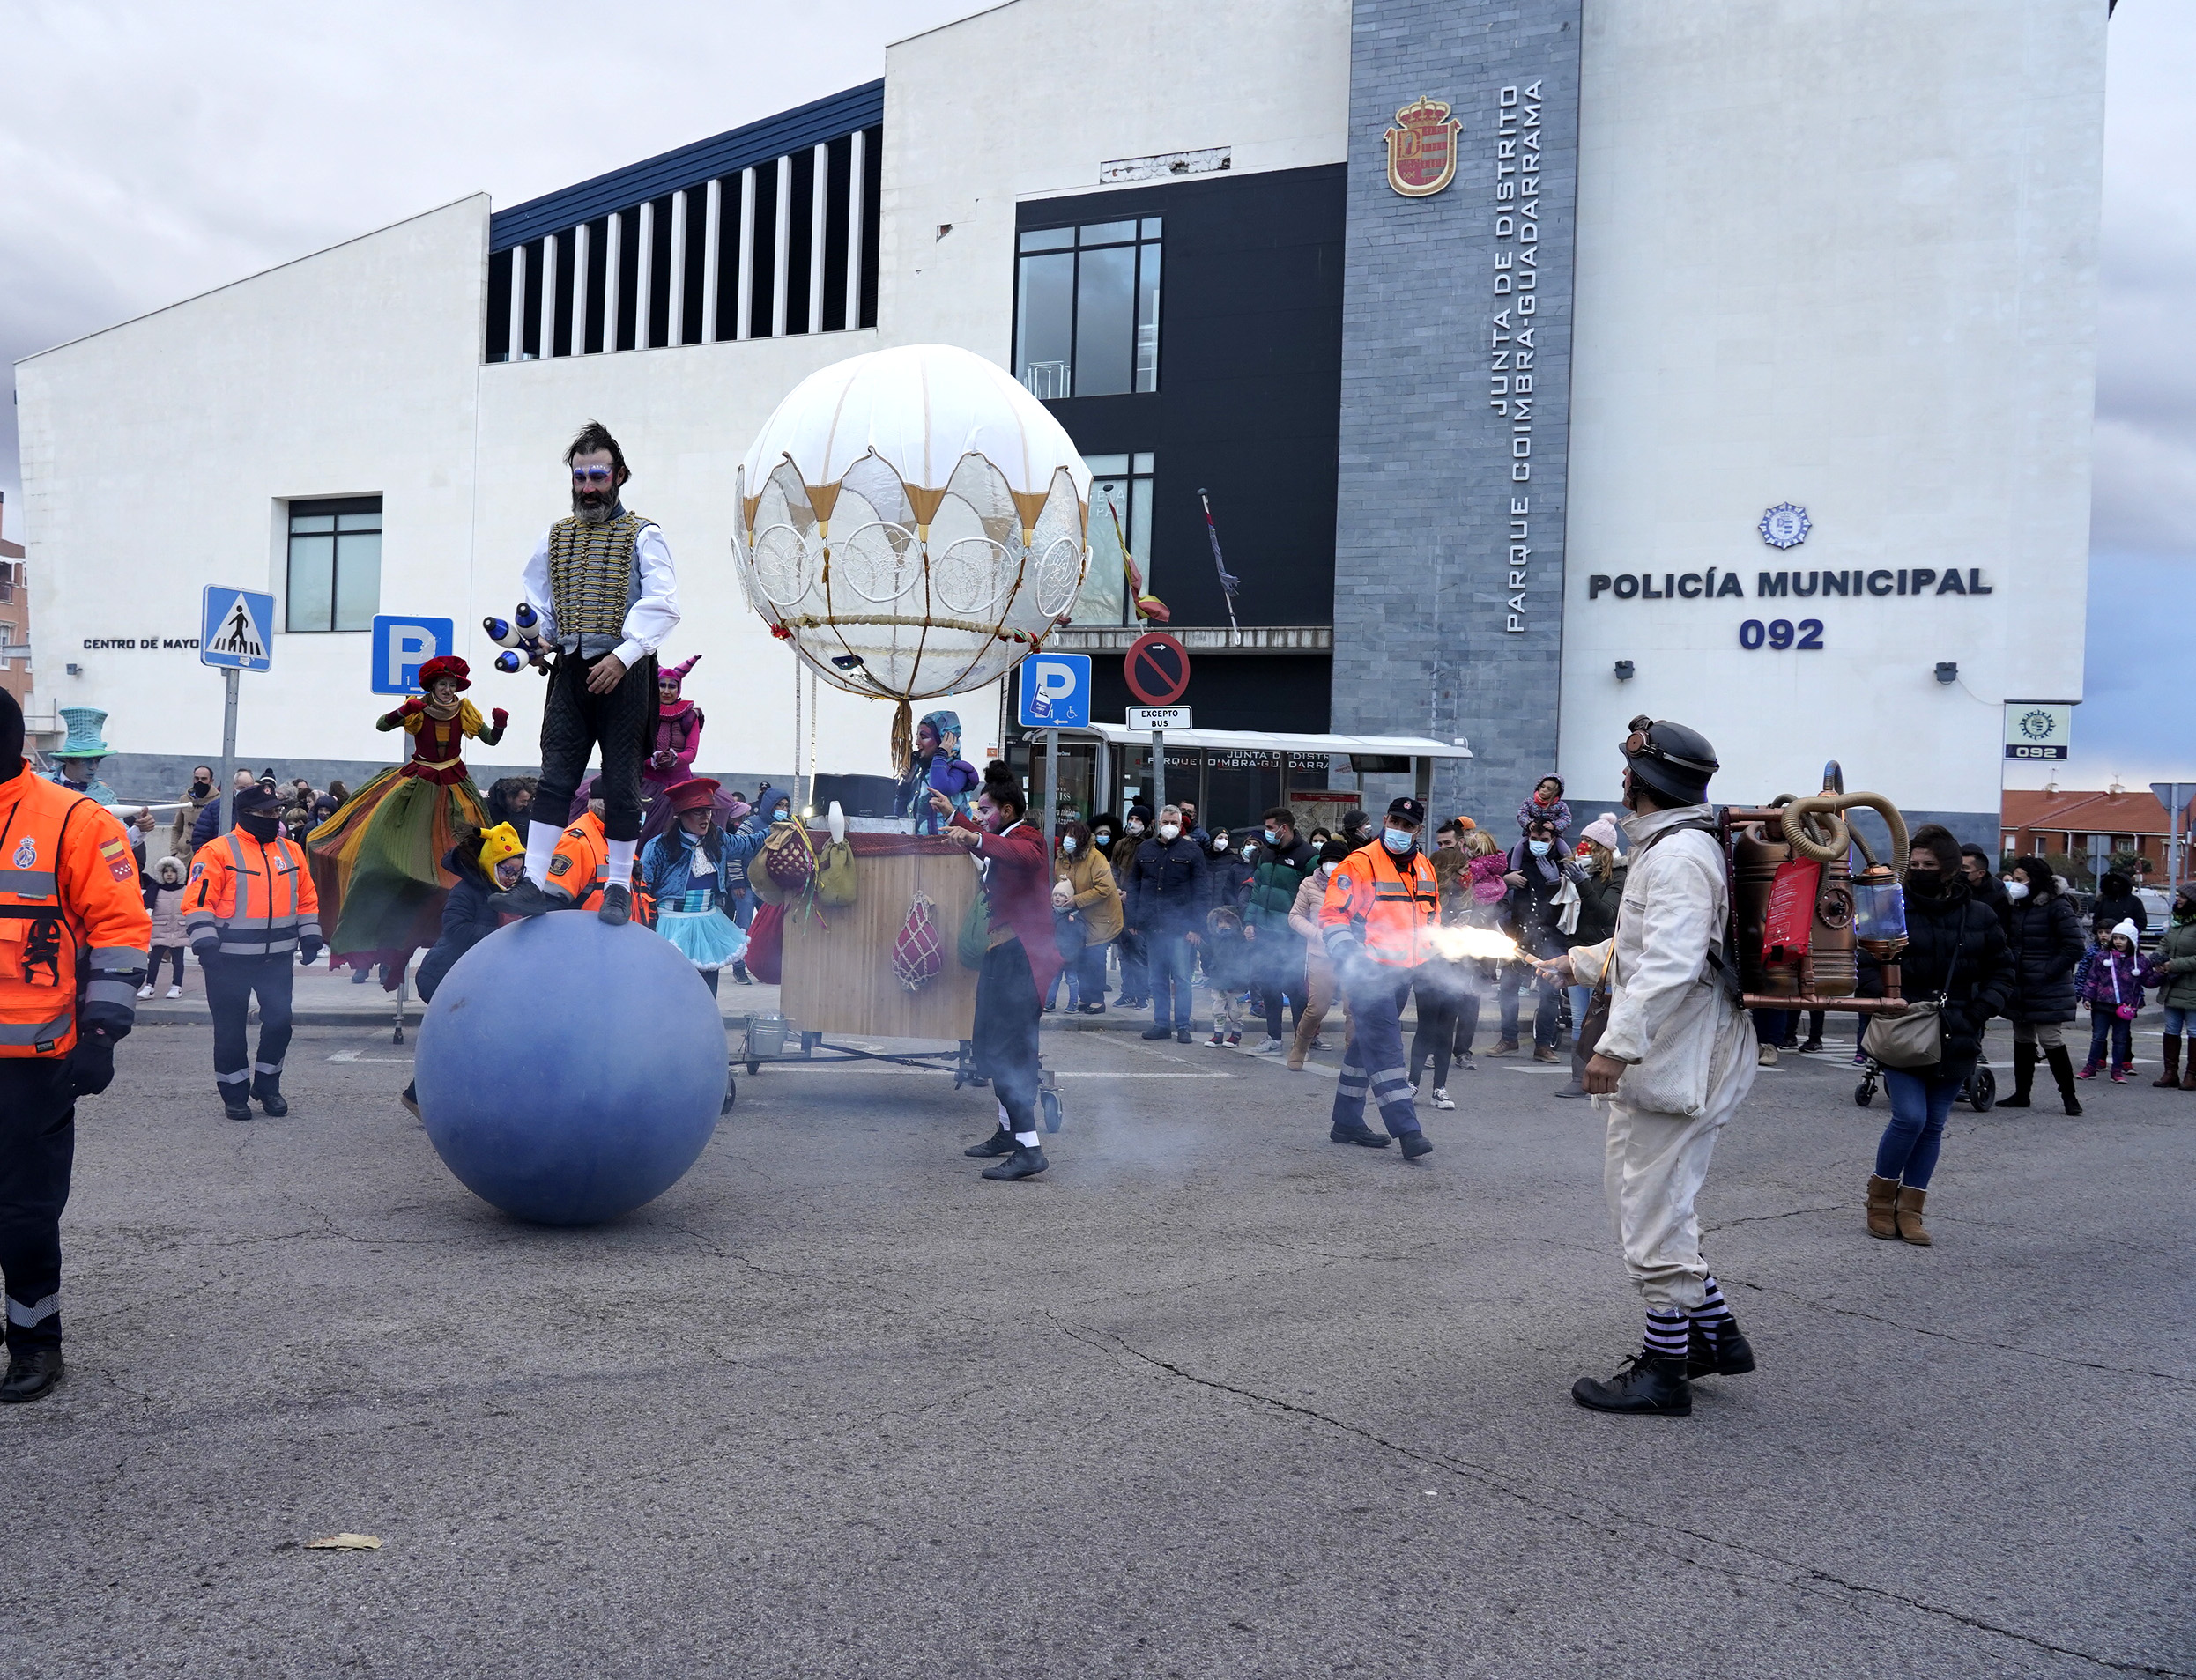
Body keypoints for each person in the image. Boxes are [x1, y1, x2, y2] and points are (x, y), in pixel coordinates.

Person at [1547, 716, 1758, 1417]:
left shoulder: (1678, 855)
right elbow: (1644, 944)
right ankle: (1716, 1336)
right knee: (1653, 1203)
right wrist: (1577, 963)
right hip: (1675, 1054)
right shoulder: (1671, 846)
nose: (1622, 777)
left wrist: (1615, 1045)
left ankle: (1665, 1371)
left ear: (1646, 779)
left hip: (1682, 1058)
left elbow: (1670, 963)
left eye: (1630, 768)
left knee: (1650, 1210)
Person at [0, 690, 152, 1403]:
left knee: (23, 1212)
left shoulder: (73, 820)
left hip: (33, 1062)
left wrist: (101, 1031)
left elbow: (120, 927)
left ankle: (35, 1344)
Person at [502, 420, 681, 928]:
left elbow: (664, 604)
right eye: (579, 477)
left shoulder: (644, 534)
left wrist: (623, 657)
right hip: (570, 671)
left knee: (622, 784)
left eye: (597, 476)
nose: (587, 488)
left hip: (625, 673)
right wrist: (541, 640)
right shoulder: (555, 536)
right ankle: (534, 881)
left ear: (619, 476)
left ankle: (620, 886)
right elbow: (540, 602)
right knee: (555, 778)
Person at [308, 655, 505, 986]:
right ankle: (375, 930)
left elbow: (490, 739)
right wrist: (402, 712)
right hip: (418, 784)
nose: (448, 690)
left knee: (472, 848)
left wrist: (499, 724)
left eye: (452, 685)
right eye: (443, 684)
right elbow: (381, 725)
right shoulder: (418, 709)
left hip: (455, 786)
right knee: (381, 849)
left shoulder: (464, 710)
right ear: (432, 686)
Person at [1864, 824, 2014, 1244]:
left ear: (1949, 868)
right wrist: (1887, 1000)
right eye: (1914, 862)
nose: (1919, 869)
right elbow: (1866, 962)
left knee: (1932, 1125)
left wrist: (1980, 1011)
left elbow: (2003, 969)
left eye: (1929, 863)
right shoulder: (1891, 906)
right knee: (1910, 1117)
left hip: (1958, 1030)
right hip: (1905, 1026)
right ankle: (1879, 1202)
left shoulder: (1980, 915)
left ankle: (1911, 1210)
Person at [940, 766, 1057, 1180]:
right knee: (991, 1048)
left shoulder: (1028, 838)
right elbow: (989, 841)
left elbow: (1022, 854)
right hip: (1004, 956)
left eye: (985, 810)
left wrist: (972, 836)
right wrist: (955, 816)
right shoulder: (1006, 834)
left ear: (1007, 811)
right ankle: (1009, 1133)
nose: (980, 816)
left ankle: (1029, 1149)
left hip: (1022, 959)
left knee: (1011, 1055)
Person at [184, 782, 322, 1121]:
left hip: (277, 958)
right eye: (266, 812)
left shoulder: (292, 851)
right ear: (246, 814)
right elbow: (198, 900)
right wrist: (205, 943)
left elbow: (306, 898)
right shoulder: (217, 851)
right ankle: (234, 1094)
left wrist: (310, 936)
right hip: (227, 960)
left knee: (280, 1024)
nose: (274, 817)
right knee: (230, 1031)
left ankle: (267, 1086)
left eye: (276, 811)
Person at [1319, 797, 1439, 1156]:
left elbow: (1431, 919)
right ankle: (1408, 1131)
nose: (1400, 830)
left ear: (1418, 830)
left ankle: (1346, 1122)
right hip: (1368, 972)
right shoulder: (1359, 862)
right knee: (1386, 1046)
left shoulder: (1425, 866)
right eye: (1395, 822)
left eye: (1408, 826)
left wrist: (1432, 961)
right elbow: (1332, 916)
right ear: (1385, 820)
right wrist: (1350, 957)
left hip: (1403, 973)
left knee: (1365, 1044)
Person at [400, 822, 523, 1117]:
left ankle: (425, 1097)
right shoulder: (466, 891)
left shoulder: (512, 893)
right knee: (463, 1042)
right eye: (507, 870)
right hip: (445, 978)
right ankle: (418, 1097)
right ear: (492, 864)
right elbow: (456, 929)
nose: (512, 877)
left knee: (471, 1042)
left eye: (518, 872)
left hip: (478, 983)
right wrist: (503, 933)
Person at [641, 778, 755, 995]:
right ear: (681, 815)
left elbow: (747, 845)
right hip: (671, 924)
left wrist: (774, 833)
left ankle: (706, 1019)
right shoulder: (659, 846)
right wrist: (647, 926)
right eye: (698, 811)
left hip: (708, 923)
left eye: (708, 811)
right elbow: (642, 886)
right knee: (672, 990)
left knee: (707, 991)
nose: (706, 817)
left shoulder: (717, 839)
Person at [1994, 855, 2085, 1114]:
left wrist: (2047, 973)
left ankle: (2069, 1097)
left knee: (2050, 1038)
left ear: (2034, 880)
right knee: (2022, 1037)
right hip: (2020, 983)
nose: (2014, 884)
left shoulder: (2057, 905)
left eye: (2020, 879)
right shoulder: (2016, 905)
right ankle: (2022, 1093)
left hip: (2048, 985)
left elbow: (2074, 946)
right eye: (2013, 878)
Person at [1495, 814, 1582, 1062]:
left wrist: (1555, 882)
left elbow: (1572, 901)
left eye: (1543, 840)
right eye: (1534, 838)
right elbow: (1496, 888)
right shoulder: (1516, 856)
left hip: (1551, 934)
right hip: (1519, 931)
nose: (1538, 843)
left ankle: (1543, 1045)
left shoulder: (1565, 861)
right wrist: (1505, 881)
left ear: (1553, 839)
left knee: (1550, 993)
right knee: (1508, 987)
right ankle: (1508, 1039)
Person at [1555, 814, 1627, 1099]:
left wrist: (1584, 884)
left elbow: (1606, 913)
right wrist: (1554, 884)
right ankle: (1578, 1078)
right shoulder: (1578, 868)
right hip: (1577, 951)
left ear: (1603, 847)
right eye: (1582, 839)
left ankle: (1605, 1078)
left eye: (1589, 841)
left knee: (1603, 1016)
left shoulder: (1618, 874)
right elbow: (1563, 914)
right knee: (1578, 1017)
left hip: (1603, 956)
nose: (1582, 844)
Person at [1126, 803, 1209, 1043]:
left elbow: (1201, 891)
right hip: (1153, 926)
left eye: (1174, 823)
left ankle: (1183, 1026)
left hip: (1181, 928)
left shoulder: (1192, 851)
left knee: (1182, 978)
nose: (1170, 826)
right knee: (1156, 979)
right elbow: (1134, 885)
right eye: (1166, 822)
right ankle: (1161, 1024)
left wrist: (1197, 927)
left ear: (1181, 825)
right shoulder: (1145, 848)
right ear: (1158, 823)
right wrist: (1132, 919)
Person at [1409, 821, 1477, 1108]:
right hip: (1428, 967)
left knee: (1447, 1027)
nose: (1467, 874)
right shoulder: (1430, 896)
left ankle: (1440, 1088)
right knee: (1426, 1027)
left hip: (1456, 968)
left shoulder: (1468, 897)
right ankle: (1413, 1083)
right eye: (1463, 869)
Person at [1244, 807, 1316, 1053]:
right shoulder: (1266, 854)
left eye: (1270, 828)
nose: (1267, 832)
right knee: (1269, 986)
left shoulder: (1309, 856)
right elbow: (1257, 890)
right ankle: (1273, 1038)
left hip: (1293, 935)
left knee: (1295, 990)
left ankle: (1301, 1042)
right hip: (1266, 933)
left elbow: (1316, 897)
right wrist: (1250, 921)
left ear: (1284, 828)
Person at [1287, 840, 1353, 1069]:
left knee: (1354, 1008)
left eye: (1337, 861)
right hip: (1320, 954)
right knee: (1317, 1008)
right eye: (1328, 860)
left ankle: (1352, 1054)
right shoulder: (1309, 884)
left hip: (1350, 955)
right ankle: (1300, 1046)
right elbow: (1295, 916)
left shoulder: (1356, 884)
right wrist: (1316, 934)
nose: (1332, 865)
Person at [1048, 819, 1121, 1014]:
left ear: (1082, 839)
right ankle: (1085, 997)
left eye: (1073, 836)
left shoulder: (1096, 858)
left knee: (1094, 958)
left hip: (1099, 916)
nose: (1068, 840)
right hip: (1075, 917)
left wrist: (1076, 900)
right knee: (1079, 957)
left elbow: (1105, 887)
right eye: (1067, 835)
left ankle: (1097, 1000)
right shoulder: (1061, 859)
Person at [2145, 882, 2196, 1091]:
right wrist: (2158, 958)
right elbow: (2164, 943)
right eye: (2178, 896)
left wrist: (2173, 964)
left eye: (2183, 896)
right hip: (2172, 985)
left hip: (2192, 987)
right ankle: (2170, 1073)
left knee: (2194, 1030)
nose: (2178, 900)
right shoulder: (2177, 921)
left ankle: (2192, 1075)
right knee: (2171, 1029)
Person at [2076, 921, 2142, 1082]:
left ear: (2131, 941)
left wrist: (2161, 972)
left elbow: (2144, 981)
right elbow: (2092, 978)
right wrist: (2087, 997)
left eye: (2122, 938)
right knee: (2098, 1037)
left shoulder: (2137, 960)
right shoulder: (2102, 957)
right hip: (2102, 1003)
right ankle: (2090, 1068)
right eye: (2116, 938)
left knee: (2120, 1039)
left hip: (2124, 1006)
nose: (2118, 941)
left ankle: (2117, 1071)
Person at [897, 709, 981, 835]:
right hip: (917, 844)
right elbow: (899, 815)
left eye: (923, 737)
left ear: (943, 741)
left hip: (948, 845)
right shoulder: (919, 771)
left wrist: (941, 754)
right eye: (917, 736)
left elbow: (939, 789)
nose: (917, 742)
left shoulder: (958, 771)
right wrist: (905, 785)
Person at [1109, 808, 1153, 1007]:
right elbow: (1113, 869)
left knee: (1139, 952)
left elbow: (1149, 877)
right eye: (1131, 818)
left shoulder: (1150, 846)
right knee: (1124, 953)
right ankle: (1127, 992)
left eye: (1137, 819)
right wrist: (1117, 890)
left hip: (1140, 906)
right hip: (1121, 905)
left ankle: (1142, 995)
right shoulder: (1121, 844)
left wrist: (1131, 895)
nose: (1133, 822)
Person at [45, 707, 121, 808]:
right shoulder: (41, 784)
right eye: (86, 761)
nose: (93, 767)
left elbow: (114, 818)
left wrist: (138, 819)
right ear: (68, 759)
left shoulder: (104, 795)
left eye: (97, 761)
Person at [1202, 905, 1256, 1047]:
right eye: (1220, 922)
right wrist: (1198, 944)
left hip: (1236, 980)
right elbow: (1209, 953)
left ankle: (1236, 1034)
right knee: (1217, 1007)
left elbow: (1246, 958)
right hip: (1218, 979)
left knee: (1235, 1010)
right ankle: (1218, 1034)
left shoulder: (1240, 939)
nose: (1223, 925)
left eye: (1227, 922)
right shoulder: (1215, 938)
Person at [140, 855, 190, 998]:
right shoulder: (156, 890)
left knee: (178, 961)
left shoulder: (186, 891)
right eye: (166, 871)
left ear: (179, 873)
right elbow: (144, 905)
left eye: (173, 871)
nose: (169, 874)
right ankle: (149, 986)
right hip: (160, 930)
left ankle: (177, 986)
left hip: (179, 930)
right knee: (154, 960)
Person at [190, 768, 257, 854]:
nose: (245, 791)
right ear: (233, 787)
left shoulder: (260, 809)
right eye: (241, 788)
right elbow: (200, 838)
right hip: (219, 857)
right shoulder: (215, 808)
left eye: (250, 788)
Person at [170, 765, 219, 862]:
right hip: (183, 855)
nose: (199, 782)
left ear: (211, 781)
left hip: (207, 855)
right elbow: (177, 828)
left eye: (204, 779)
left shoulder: (218, 800)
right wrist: (174, 852)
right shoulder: (184, 799)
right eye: (197, 778)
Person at [2088, 870, 2146, 941]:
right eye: (2114, 882)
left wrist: (2129, 933)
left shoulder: (2134, 901)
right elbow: (2096, 918)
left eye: (2119, 882)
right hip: (2105, 939)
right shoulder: (2105, 900)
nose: (2115, 884)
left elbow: (2141, 922)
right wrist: (2100, 932)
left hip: (2125, 940)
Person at [1517, 773, 1572, 840]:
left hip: (1552, 837)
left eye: (1549, 789)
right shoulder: (1529, 802)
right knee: (1520, 846)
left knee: (1563, 847)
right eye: (1542, 786)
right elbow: (1522, 813)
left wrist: (1554, 825)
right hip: (1531, 835)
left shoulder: (1561, 805)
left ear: (1556, 792)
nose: (1544, 790)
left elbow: (1566, 818)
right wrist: (1529, 823)